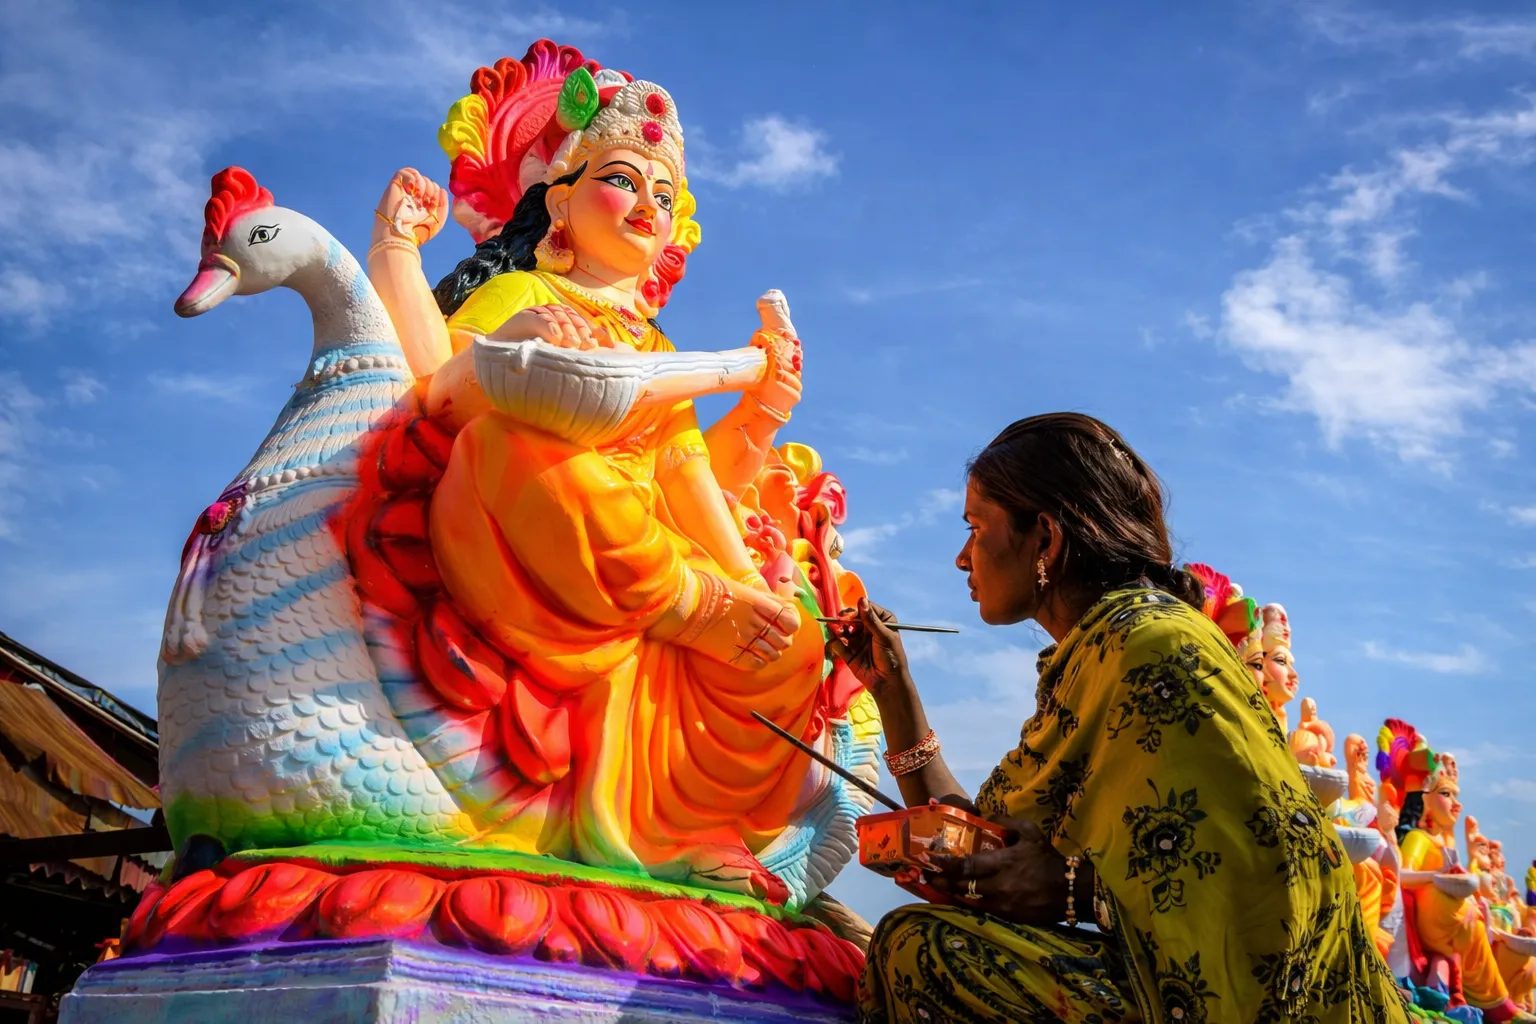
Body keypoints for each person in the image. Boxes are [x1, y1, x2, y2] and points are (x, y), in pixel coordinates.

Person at [830, 412, 1409, 1023]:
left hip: (1273, 1004)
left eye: (976, 528)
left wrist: (1077, 889)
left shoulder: (1152, 645)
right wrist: (893, 694)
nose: (961, 557)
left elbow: (1264, 874)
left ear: (1046, 541)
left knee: (922, 951)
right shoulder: (1091, 658)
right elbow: (987, 840)